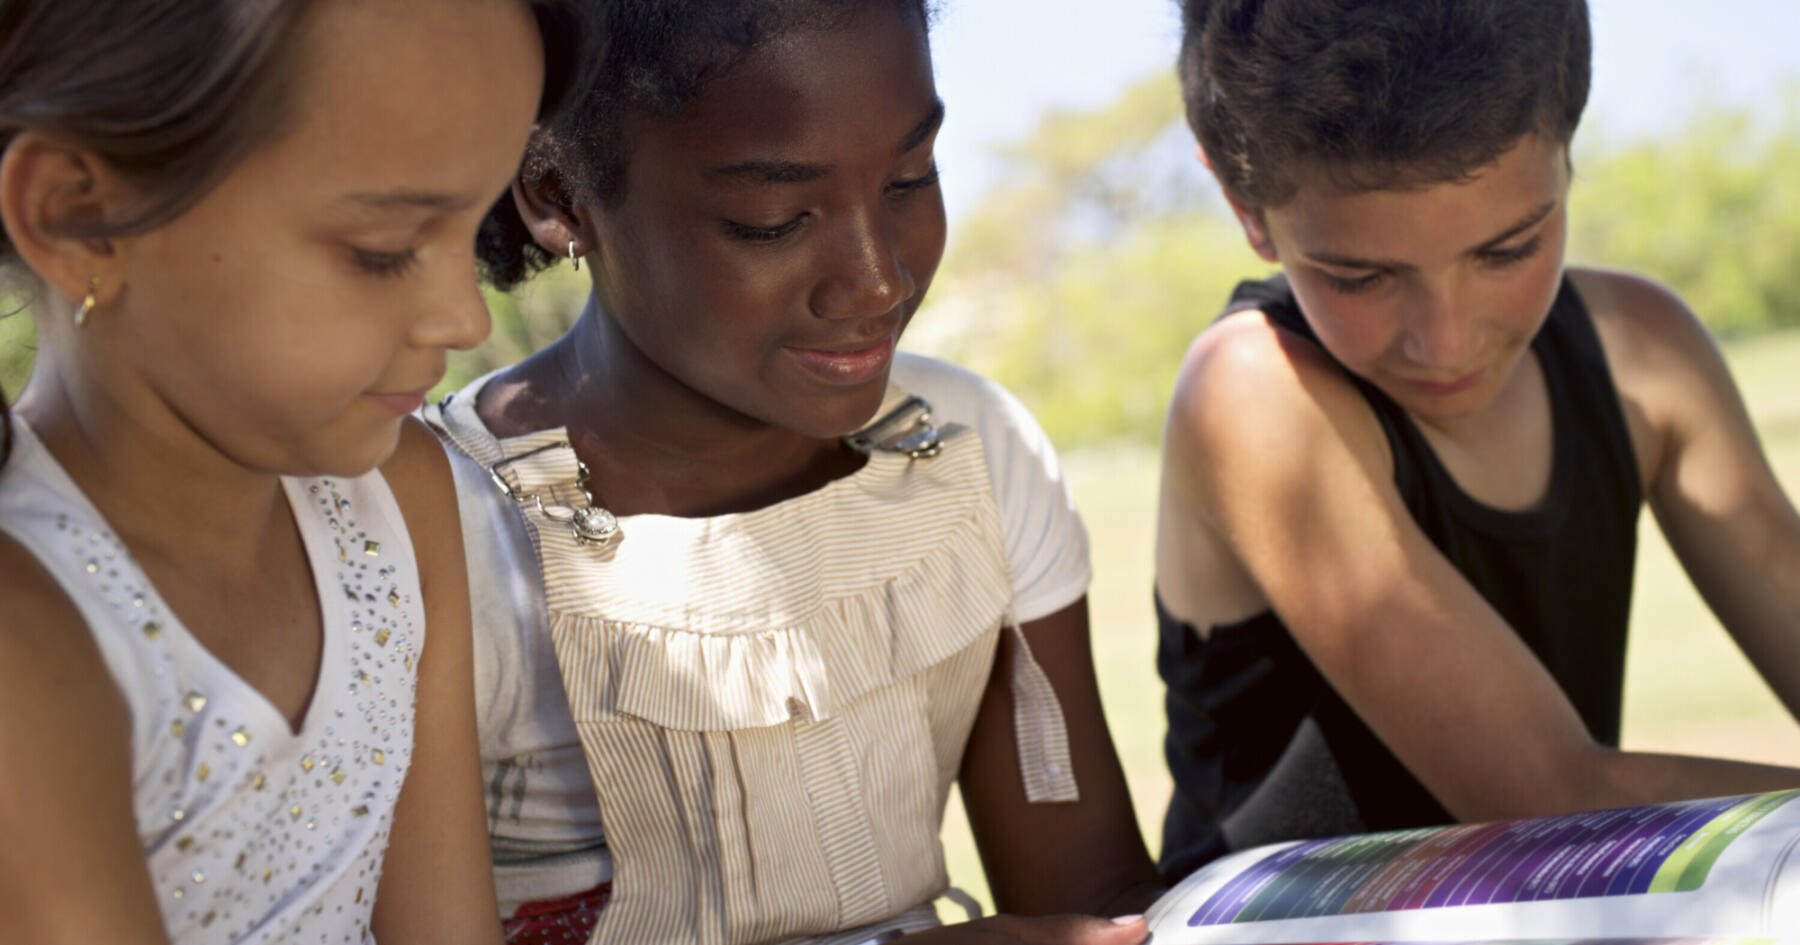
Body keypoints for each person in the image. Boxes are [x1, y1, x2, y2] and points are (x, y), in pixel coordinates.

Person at [423, 2, 1164, 943]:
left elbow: (1091, 896)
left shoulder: (964, 449)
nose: (878, 279)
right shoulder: (447, 530)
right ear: (558, 188)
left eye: (911, 177)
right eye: (771, 221)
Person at [1154, 0, 1800, 883]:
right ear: (1247, 210)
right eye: (1364, 275)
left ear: (1568, 155)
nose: (1445, 340)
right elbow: (1551, 793)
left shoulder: (1645, 353)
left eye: (1508, 250)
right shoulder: (1254, 389)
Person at [0, 0, 576, 941]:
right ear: (79, 216)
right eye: (383, 251)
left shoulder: (398, 499)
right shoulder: (31, 638)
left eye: (471, 232)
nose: (465, 319)